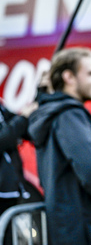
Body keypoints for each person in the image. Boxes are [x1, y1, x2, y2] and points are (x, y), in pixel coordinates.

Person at [28, 47, 91, 245]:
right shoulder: (69, 115)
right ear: (69, 77)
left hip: (69, 229)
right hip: (85, 230)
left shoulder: (55, 114)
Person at [0, 101, 38, 244]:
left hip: (9, 192)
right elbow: (4, 137)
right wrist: (23, 118)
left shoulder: (2, 106)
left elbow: (18, 126)